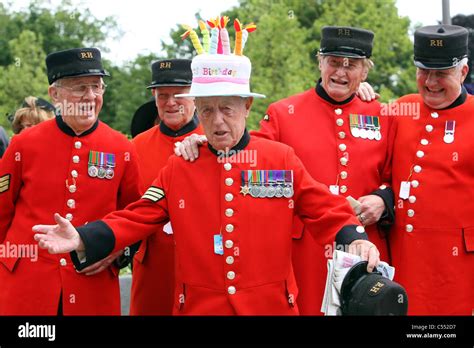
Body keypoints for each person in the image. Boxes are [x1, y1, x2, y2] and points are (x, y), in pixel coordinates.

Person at [33, 19, 380, 315]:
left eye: (227, 109)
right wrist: (83, 236)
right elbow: (136, 216)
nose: (216, 123)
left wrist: (356, 239)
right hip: (198, 307)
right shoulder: (180, 167)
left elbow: (324, 208)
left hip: (269, 306)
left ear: (246, 107)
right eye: (207, 110)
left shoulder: (279, 159)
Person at [175, 26, 395, 315]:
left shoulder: (383, 114)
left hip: (362, 242)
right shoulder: (284, 112)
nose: (340, 72)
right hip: (306, 251)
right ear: (319, 62)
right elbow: (246, 157)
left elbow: (400, 176)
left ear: (364, 72)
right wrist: (204, 140)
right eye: (332, 62)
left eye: (351, 65)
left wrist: (384, 200)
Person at [0, 47, 141, 315]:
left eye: (97, 87)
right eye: (80, 88)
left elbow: (134, 215)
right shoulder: (23, 145)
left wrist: (118, 250)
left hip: (91, 287)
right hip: (27, 286)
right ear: (55, 94)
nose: (90, 96)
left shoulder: (122, 148)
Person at [390, 25, 474, 315]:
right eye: (424, 71)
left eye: (442, 73)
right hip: (405, 263)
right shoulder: (402, 108)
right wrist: (359, 90)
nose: (431, 82)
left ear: (463, 73)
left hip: (460, 270)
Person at [130, 59, 204, 315]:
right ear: (154, 96)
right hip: (153, 270)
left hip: (204, 268)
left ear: (194, 95)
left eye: (179, 95)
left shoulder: (214, 138)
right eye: (163, 95)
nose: (170, 102)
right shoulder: (136, 146)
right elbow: (126, 206)